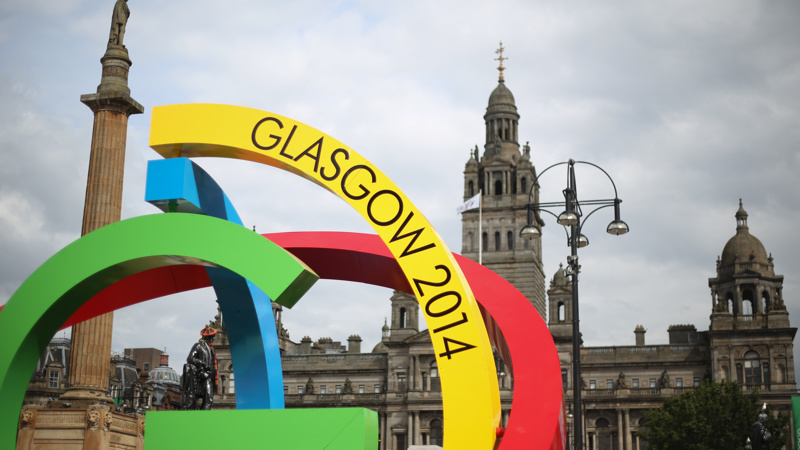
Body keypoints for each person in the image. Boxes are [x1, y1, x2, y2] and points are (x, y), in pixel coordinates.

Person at [181, 325, 219, 410]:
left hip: (209, 377)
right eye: (212, 336)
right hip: (201, 376)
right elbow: (190, 358)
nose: (213, 337)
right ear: (208, 337)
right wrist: (202, 363)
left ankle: (203, 418)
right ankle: (201, 418)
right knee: (208, 398)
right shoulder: (198, 346)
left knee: (209, 399)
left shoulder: (211, 348)